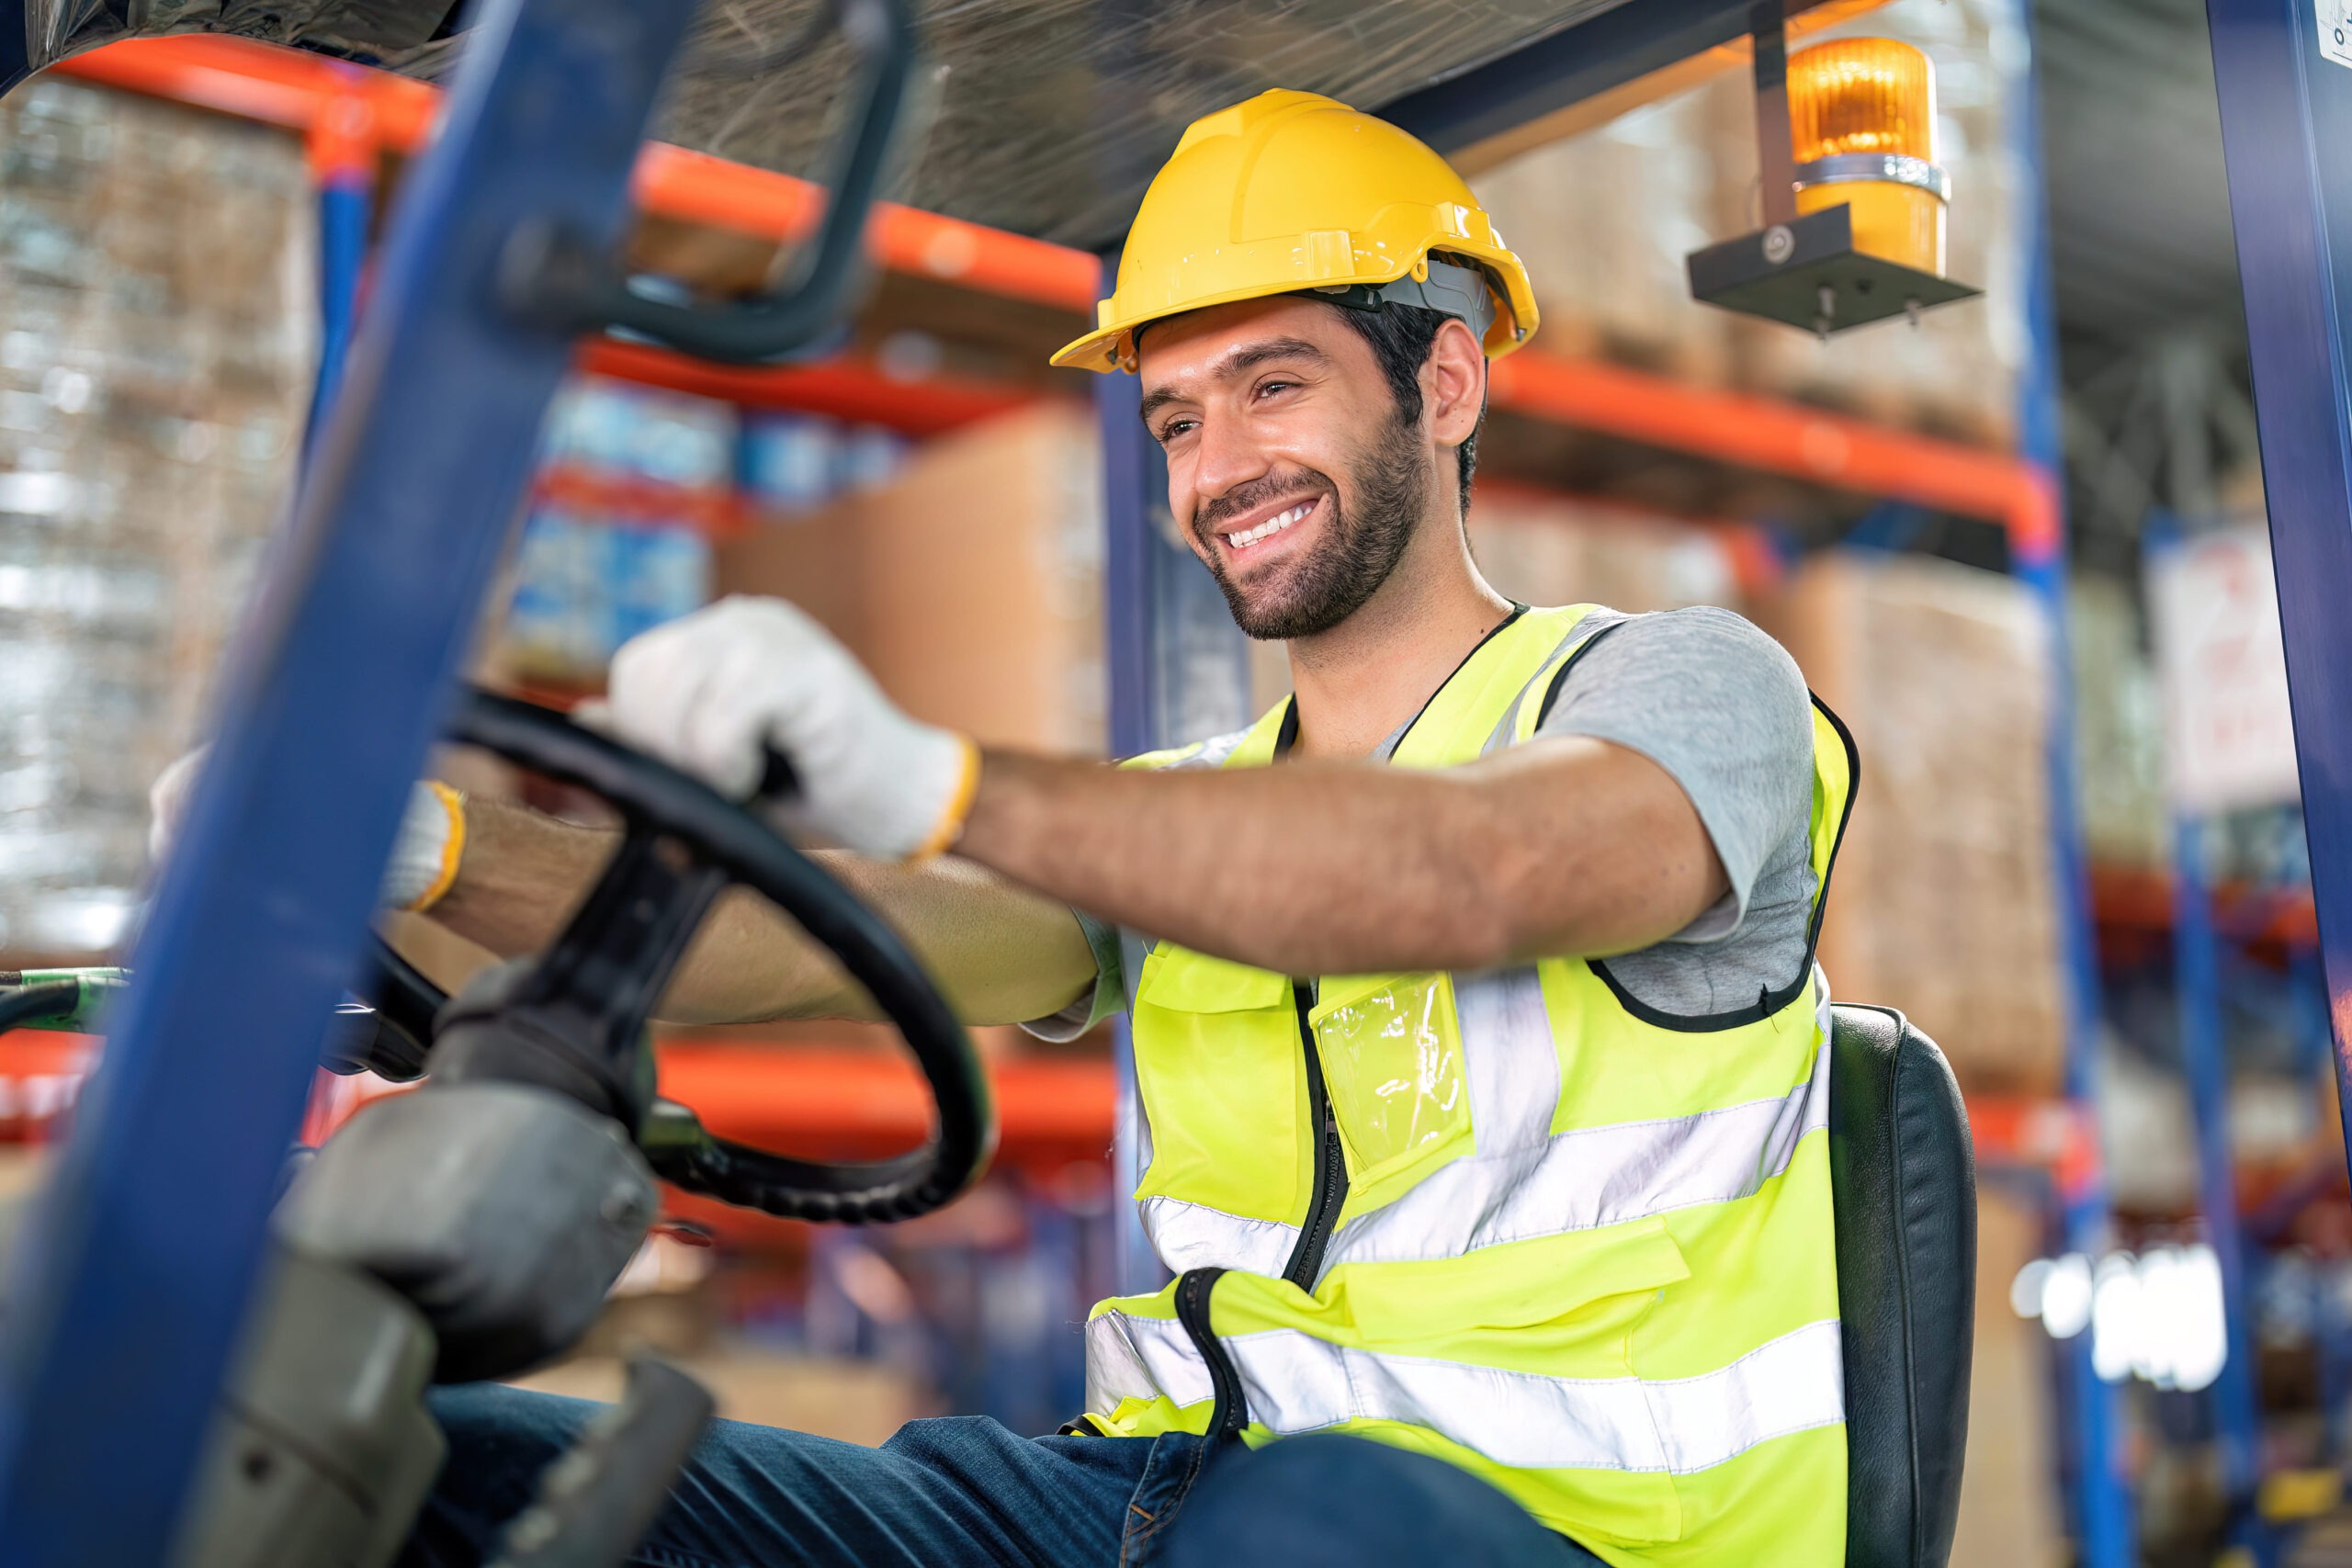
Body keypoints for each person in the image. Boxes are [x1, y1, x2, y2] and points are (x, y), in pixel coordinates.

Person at [157, 88, 1856, 1568]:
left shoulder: (1691, 692)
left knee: (1308, 1526)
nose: (1217, 466)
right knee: (431, 1474)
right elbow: (818, 932)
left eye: (1275, 386)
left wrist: (947, 778)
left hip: (1558, 1537)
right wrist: (424, 848)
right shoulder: (1175, 821)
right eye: (1177, 420)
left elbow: (1466, 869)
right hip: (1143, 1504)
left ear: (1451, 382)